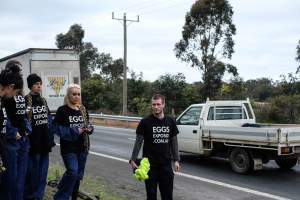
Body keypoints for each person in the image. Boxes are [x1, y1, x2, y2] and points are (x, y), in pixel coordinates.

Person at [129, 94, 181, 200]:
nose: (156, 107)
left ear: (163, 105)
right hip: (150, 167)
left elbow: (174, 142)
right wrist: (133, 159)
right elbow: (138, 142)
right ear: (151, 105)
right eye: (154, 104)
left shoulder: (170, 122)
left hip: (166, 166)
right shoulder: (145, 122)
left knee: (167, 196)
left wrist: (176, 160)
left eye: (158, 104)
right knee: (151, 196)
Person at [53, 84, 94, 200]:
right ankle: (60, 196)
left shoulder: (83, 109)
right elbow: (56, 128)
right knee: (72, 172)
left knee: (77, 177)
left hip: (83, 147)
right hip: (68, 148)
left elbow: (88, 125)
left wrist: (89, 129)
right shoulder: (62, 110)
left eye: (78, 94)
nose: (77, 96)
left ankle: (73, 196)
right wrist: (75, 131)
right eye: (74, 94)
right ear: (68, 95)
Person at [0, 60, 32, 200]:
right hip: (9, 141)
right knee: (9, 180)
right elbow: (4, 119)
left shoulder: (18, 94)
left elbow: (24, 114)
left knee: (17, 178)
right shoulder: (4, 98)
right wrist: (13, 132)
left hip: (20, 139)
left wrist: (26, 129)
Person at [24, 73, 55, 200]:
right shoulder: (27, 99)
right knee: (33, 173)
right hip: (33, 142)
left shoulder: (43, 100)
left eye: (40, 83)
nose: (39, 86)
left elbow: (48, 119)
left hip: (44, 141)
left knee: (43, 173)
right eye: (36, 84)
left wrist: (50, 137)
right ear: (31, 85)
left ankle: (39, 196)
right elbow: (25, 120)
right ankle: (29, 195)